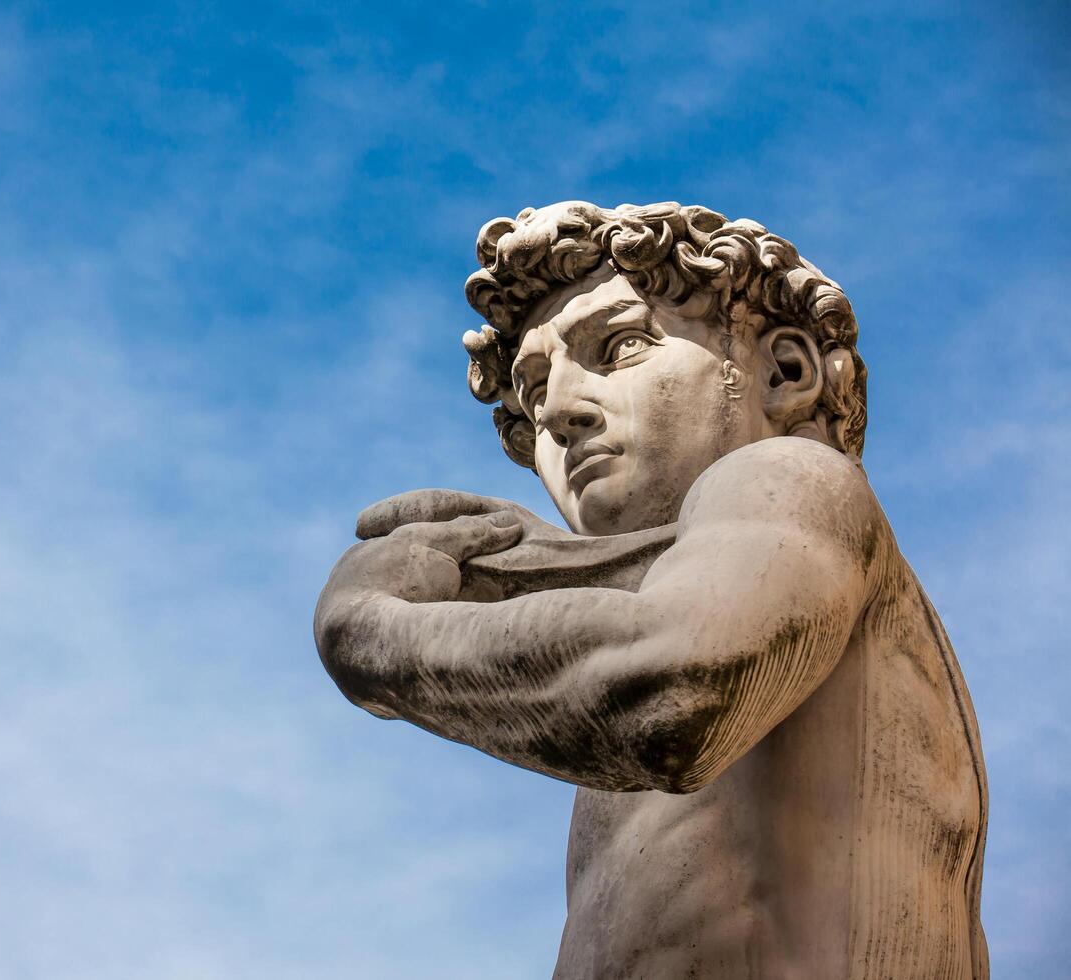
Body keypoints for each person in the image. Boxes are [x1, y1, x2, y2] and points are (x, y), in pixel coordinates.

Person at [313, 201, 988, 979]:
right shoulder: (738, 577)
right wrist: (536, 566)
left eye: (621, 345)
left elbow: (670, 685)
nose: (559, 412)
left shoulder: (795, 477)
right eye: (533, 395)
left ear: (785, 372)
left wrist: (372, 633)